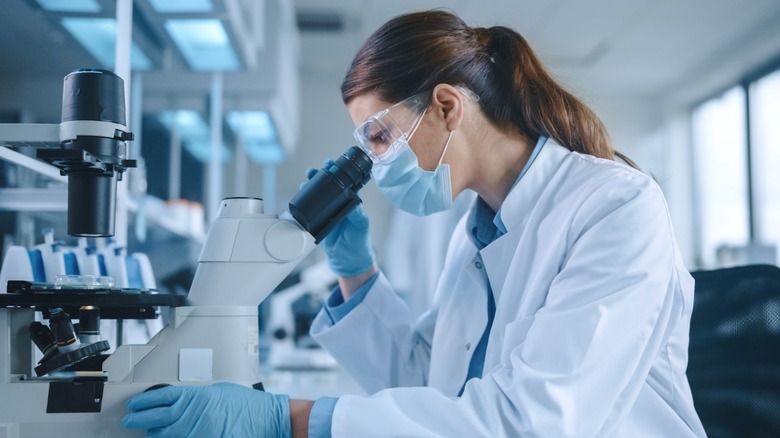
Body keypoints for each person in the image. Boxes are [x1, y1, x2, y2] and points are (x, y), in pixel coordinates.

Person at [123, 9, 707, 437]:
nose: (376, 162)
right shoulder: (477, 232)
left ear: (448, 106)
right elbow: (427, 381)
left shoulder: (615, 207)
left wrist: (288, 420)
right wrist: (356, 271)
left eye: (379, 135)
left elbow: (531, 423)